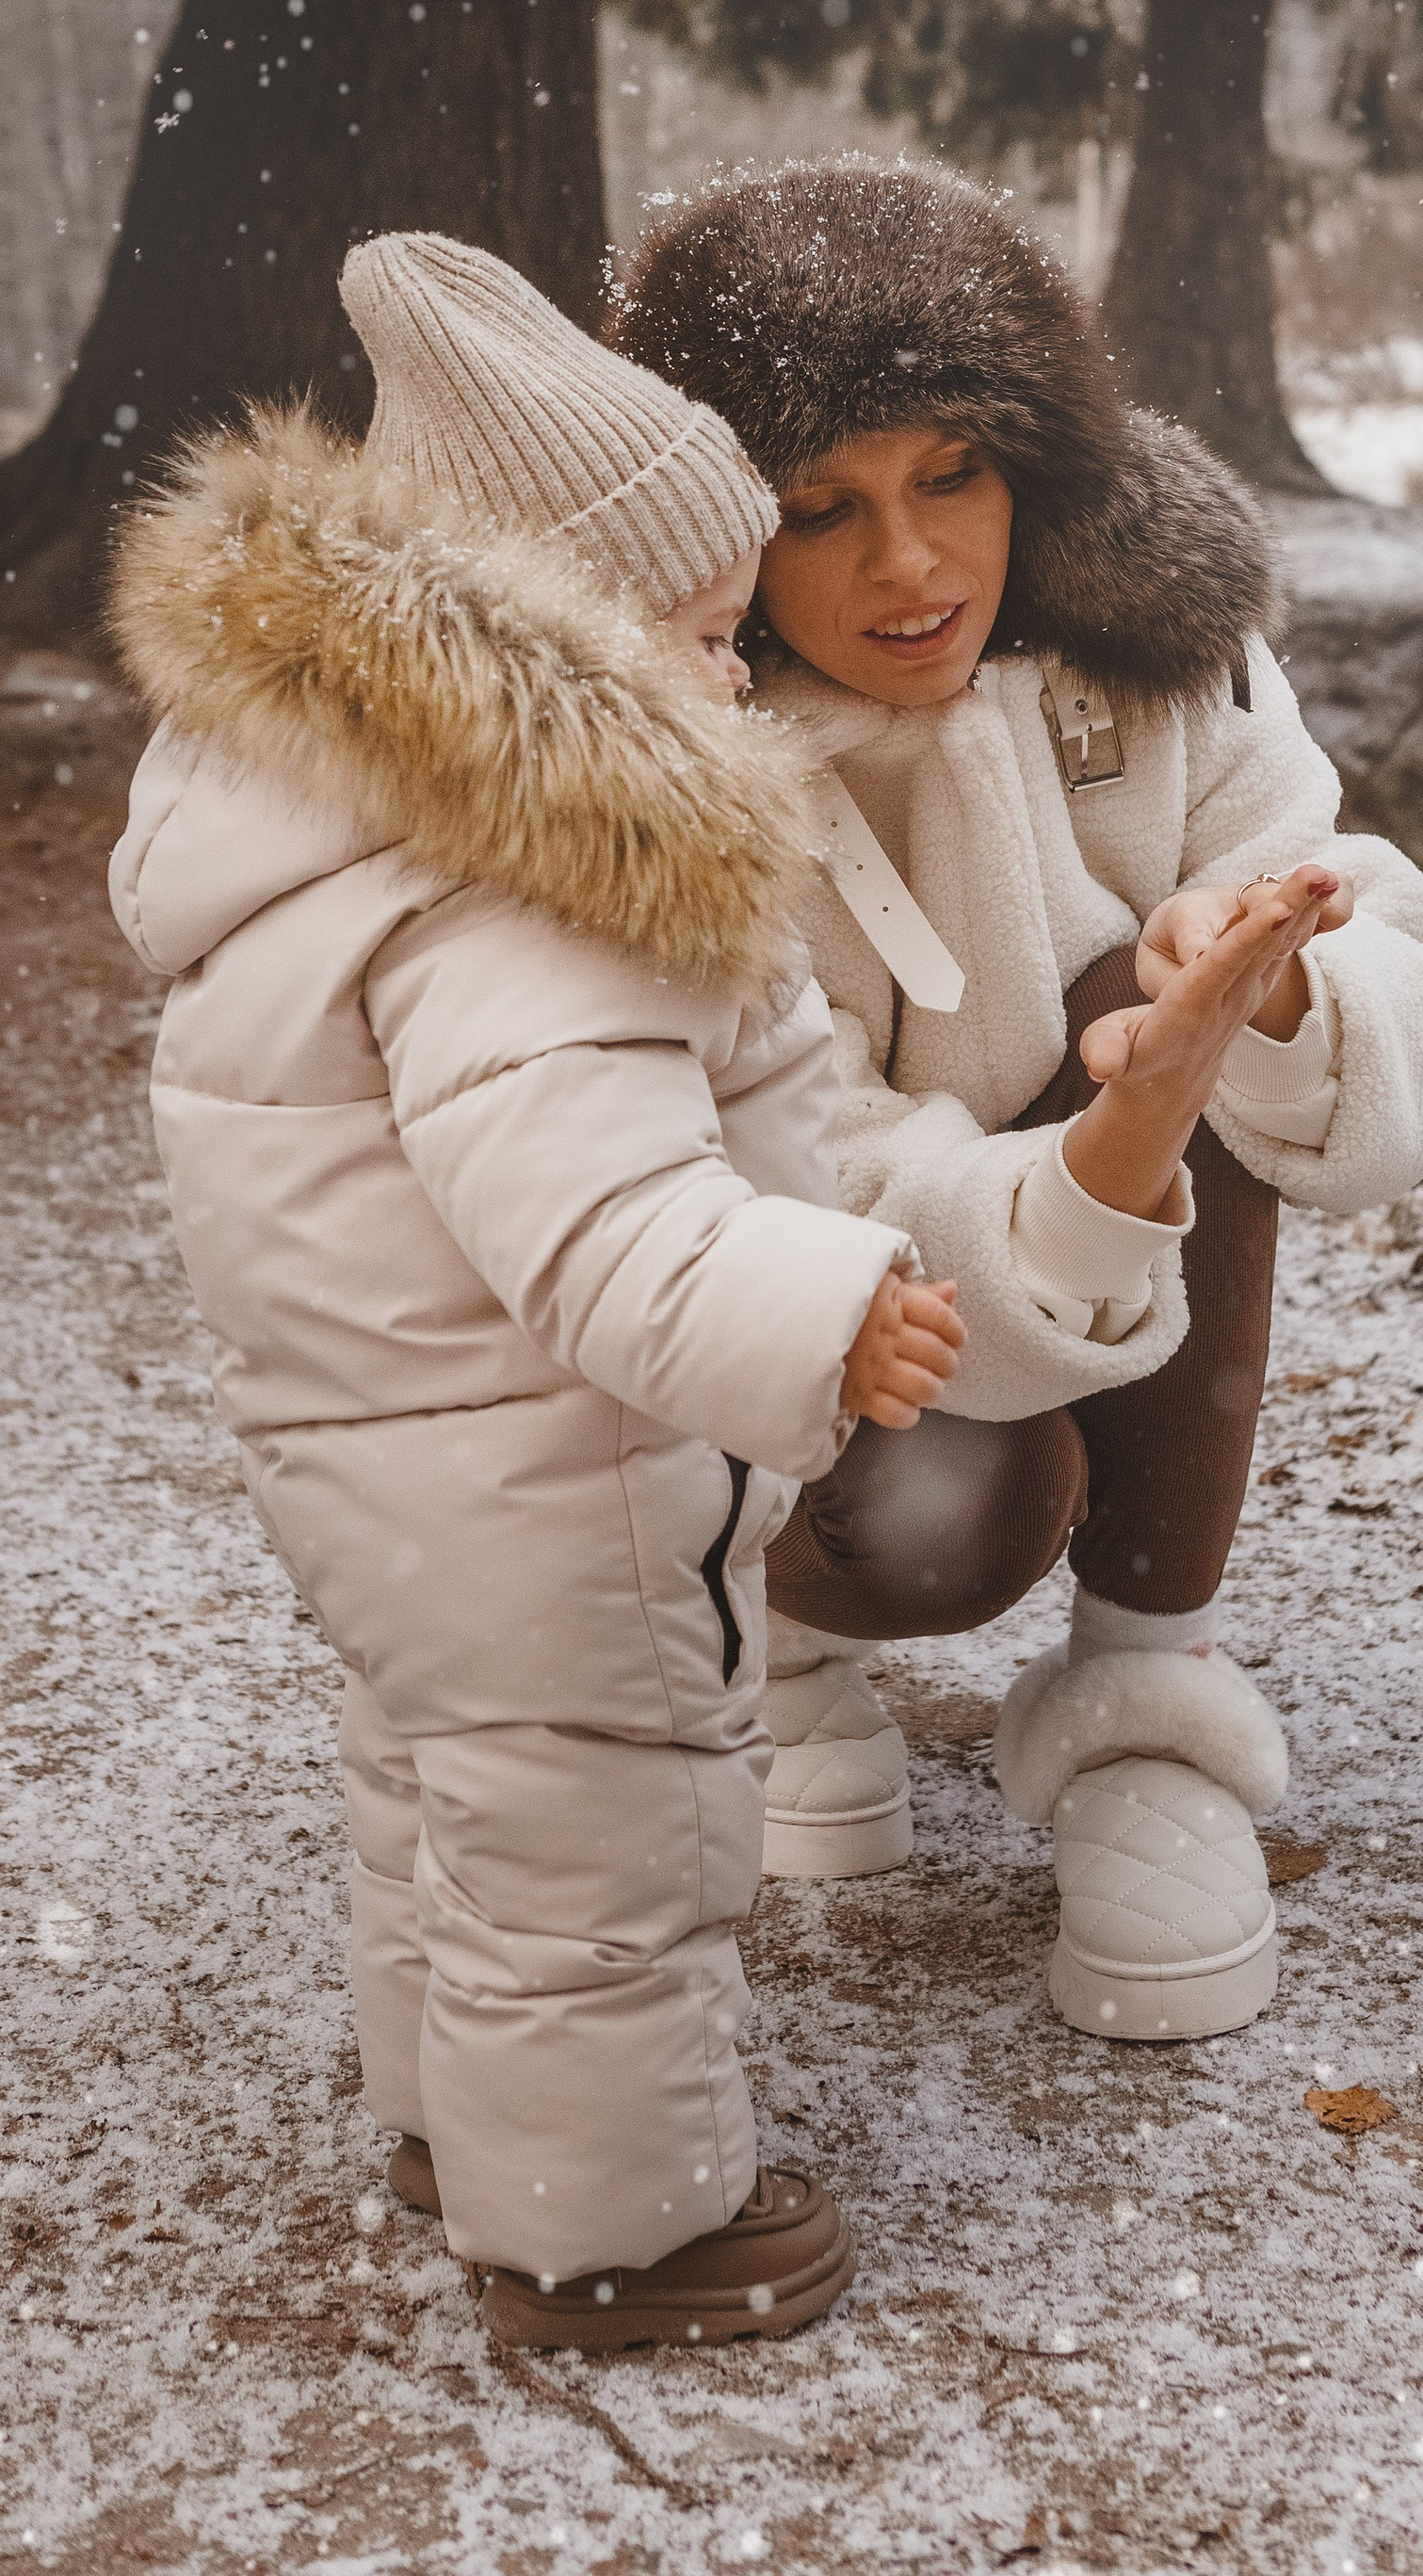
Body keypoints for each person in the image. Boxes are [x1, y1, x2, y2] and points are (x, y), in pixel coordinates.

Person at [105, 232, 963, 2351]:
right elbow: (595, 1224)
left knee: (449, 1790)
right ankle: (617, 2227)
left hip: (400, 1469)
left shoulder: (338, 824)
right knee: (603, 1847)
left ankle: (446, 2117)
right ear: (546, 649)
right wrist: (819, 1298)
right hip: (547, 1469)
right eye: (690, 633)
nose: (730, 675)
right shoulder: (526, 894)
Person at [611, 157, 1423, 2042]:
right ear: (722, 535)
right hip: (807, 1324)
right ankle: (788, 1641)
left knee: (1182, 996)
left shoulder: (1152, 662)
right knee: (949, 1520)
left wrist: (1267, 993)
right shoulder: (668, 775)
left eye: (952, 477)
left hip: (1096, 1186)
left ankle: (1137, 1713)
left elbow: (1382, 948)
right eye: (817, 510)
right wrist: (1085, 1163)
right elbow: (784, 1162)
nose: (908, 567)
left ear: (1030, 459)